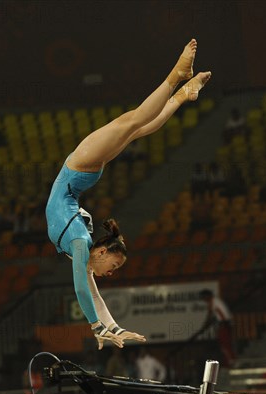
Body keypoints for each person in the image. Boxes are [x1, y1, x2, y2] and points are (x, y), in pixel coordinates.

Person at [46, 39, 211, 349]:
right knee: (136, 126)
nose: (110, 274)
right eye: (115, 269)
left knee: (137, 122)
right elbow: (91, 291)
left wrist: (105, 328)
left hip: (78, 168)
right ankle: (180, 91)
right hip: (82, 172)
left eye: (113, 267)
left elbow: (84, 290)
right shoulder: (79, 245)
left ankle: (178, 79)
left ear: (102, 252)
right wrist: (107, 328)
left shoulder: (80, 245)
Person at [199, 289, 235, 367]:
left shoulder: (214, 302)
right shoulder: (217, 301)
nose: (204, 300)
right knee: (225, 343)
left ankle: (230, 361)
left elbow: (210, 314)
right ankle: (229, 360)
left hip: (224, 323)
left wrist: (205, 325)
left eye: (204, 298)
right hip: (225, 323)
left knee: (224, 343)